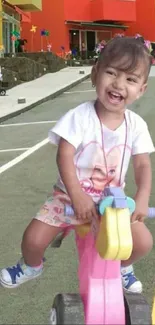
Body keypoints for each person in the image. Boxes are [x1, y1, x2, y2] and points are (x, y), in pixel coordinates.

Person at [0, 37, 154, 292]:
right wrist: (76, 195)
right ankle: (31, 266)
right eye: (111, 73)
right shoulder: (80, 117)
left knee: (143, 242)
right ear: (95, 74)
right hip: (69, 198)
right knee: (33, 239)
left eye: (130, 79)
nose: (118, 83)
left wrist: (141, 196)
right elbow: (64, 155)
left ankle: (123, 266)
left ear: (141, 89)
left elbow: (143, 165)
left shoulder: (136, 125)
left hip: (111, 203)